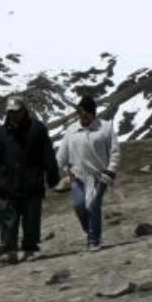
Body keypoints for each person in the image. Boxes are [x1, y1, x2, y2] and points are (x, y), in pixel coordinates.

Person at [0, 96, 60, 264]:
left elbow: (47, 154)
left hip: (32, 182)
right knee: (8, 219)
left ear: (24, 111)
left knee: (31, 218)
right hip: (8, 184)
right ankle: (9, 250)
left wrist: (52, 176)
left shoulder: (37, 129)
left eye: (16, 112)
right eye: (10, 112)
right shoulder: (1, 133)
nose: (13, 115)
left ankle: (30, 248)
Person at [55, 95, 120, 251]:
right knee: (79, 205)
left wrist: (111, 170)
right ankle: (90, 230)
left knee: (92, 205)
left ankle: (94, 240)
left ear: (92, 113)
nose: (81, 117)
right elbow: (62, 155)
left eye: (84, 113)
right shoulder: (71, 130)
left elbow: (115, 152)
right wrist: (58, 170)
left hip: (100, 175)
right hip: (77, 175)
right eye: (79, 113)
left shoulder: (105, 128)